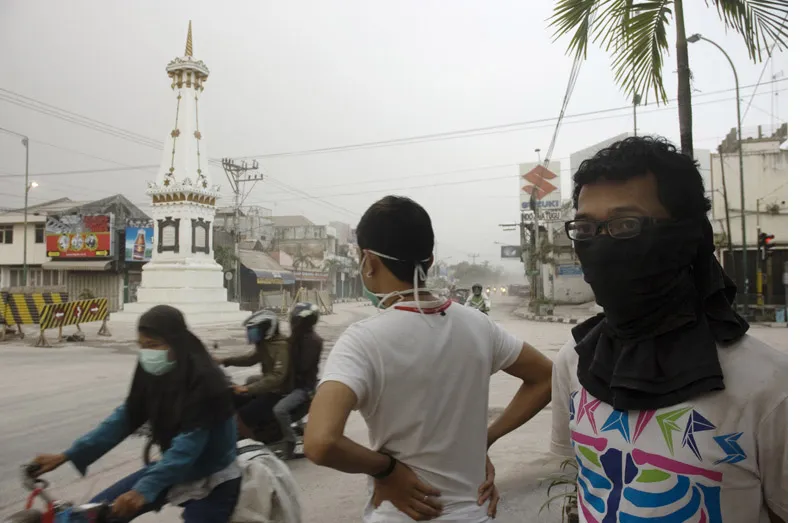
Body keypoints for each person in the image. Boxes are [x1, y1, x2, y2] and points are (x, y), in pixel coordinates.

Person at [551, 136, 787, 522]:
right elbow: (588, 487)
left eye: (626, 224)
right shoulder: (575, 364)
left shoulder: (771, 388)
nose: (602, 245)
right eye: (586, 227)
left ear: (685, 235)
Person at [305, 195, 553, 522]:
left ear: (367, 261)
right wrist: (484, 440)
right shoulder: (478, 325)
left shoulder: (362, 341)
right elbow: (547, 376)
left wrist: (387, 470)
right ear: (430, 260)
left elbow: (321, 442)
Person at [30, 305, 241, 523]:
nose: (148, 353)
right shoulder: (153, 371)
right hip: (173, 471)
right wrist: (69, 454)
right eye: (142, 346)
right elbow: (125, 418)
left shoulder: (206, 380)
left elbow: (187, 448)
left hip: (212, 477)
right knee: (92, 517)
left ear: (178, 344)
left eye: (154, 345)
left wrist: (143, 490)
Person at [218, 310, 293, 441]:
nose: (250, 333)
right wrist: (225, 360)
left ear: (267, 329)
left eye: (254, 329)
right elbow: (250, 359)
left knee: (242, 416)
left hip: (278, 393)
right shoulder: (265, 344)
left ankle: (253, 446)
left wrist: (248, 389)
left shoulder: (281, 346)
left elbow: (277, 377)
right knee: (233, 398)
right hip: (267, 389)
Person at [273, 301, 324, 459]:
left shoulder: (313, 341)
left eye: (295, 320)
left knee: (280, 410)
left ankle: (290, 442)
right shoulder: (297, 338)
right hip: (293, 383)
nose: (292, 323)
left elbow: (301, 366)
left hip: (304, 388)